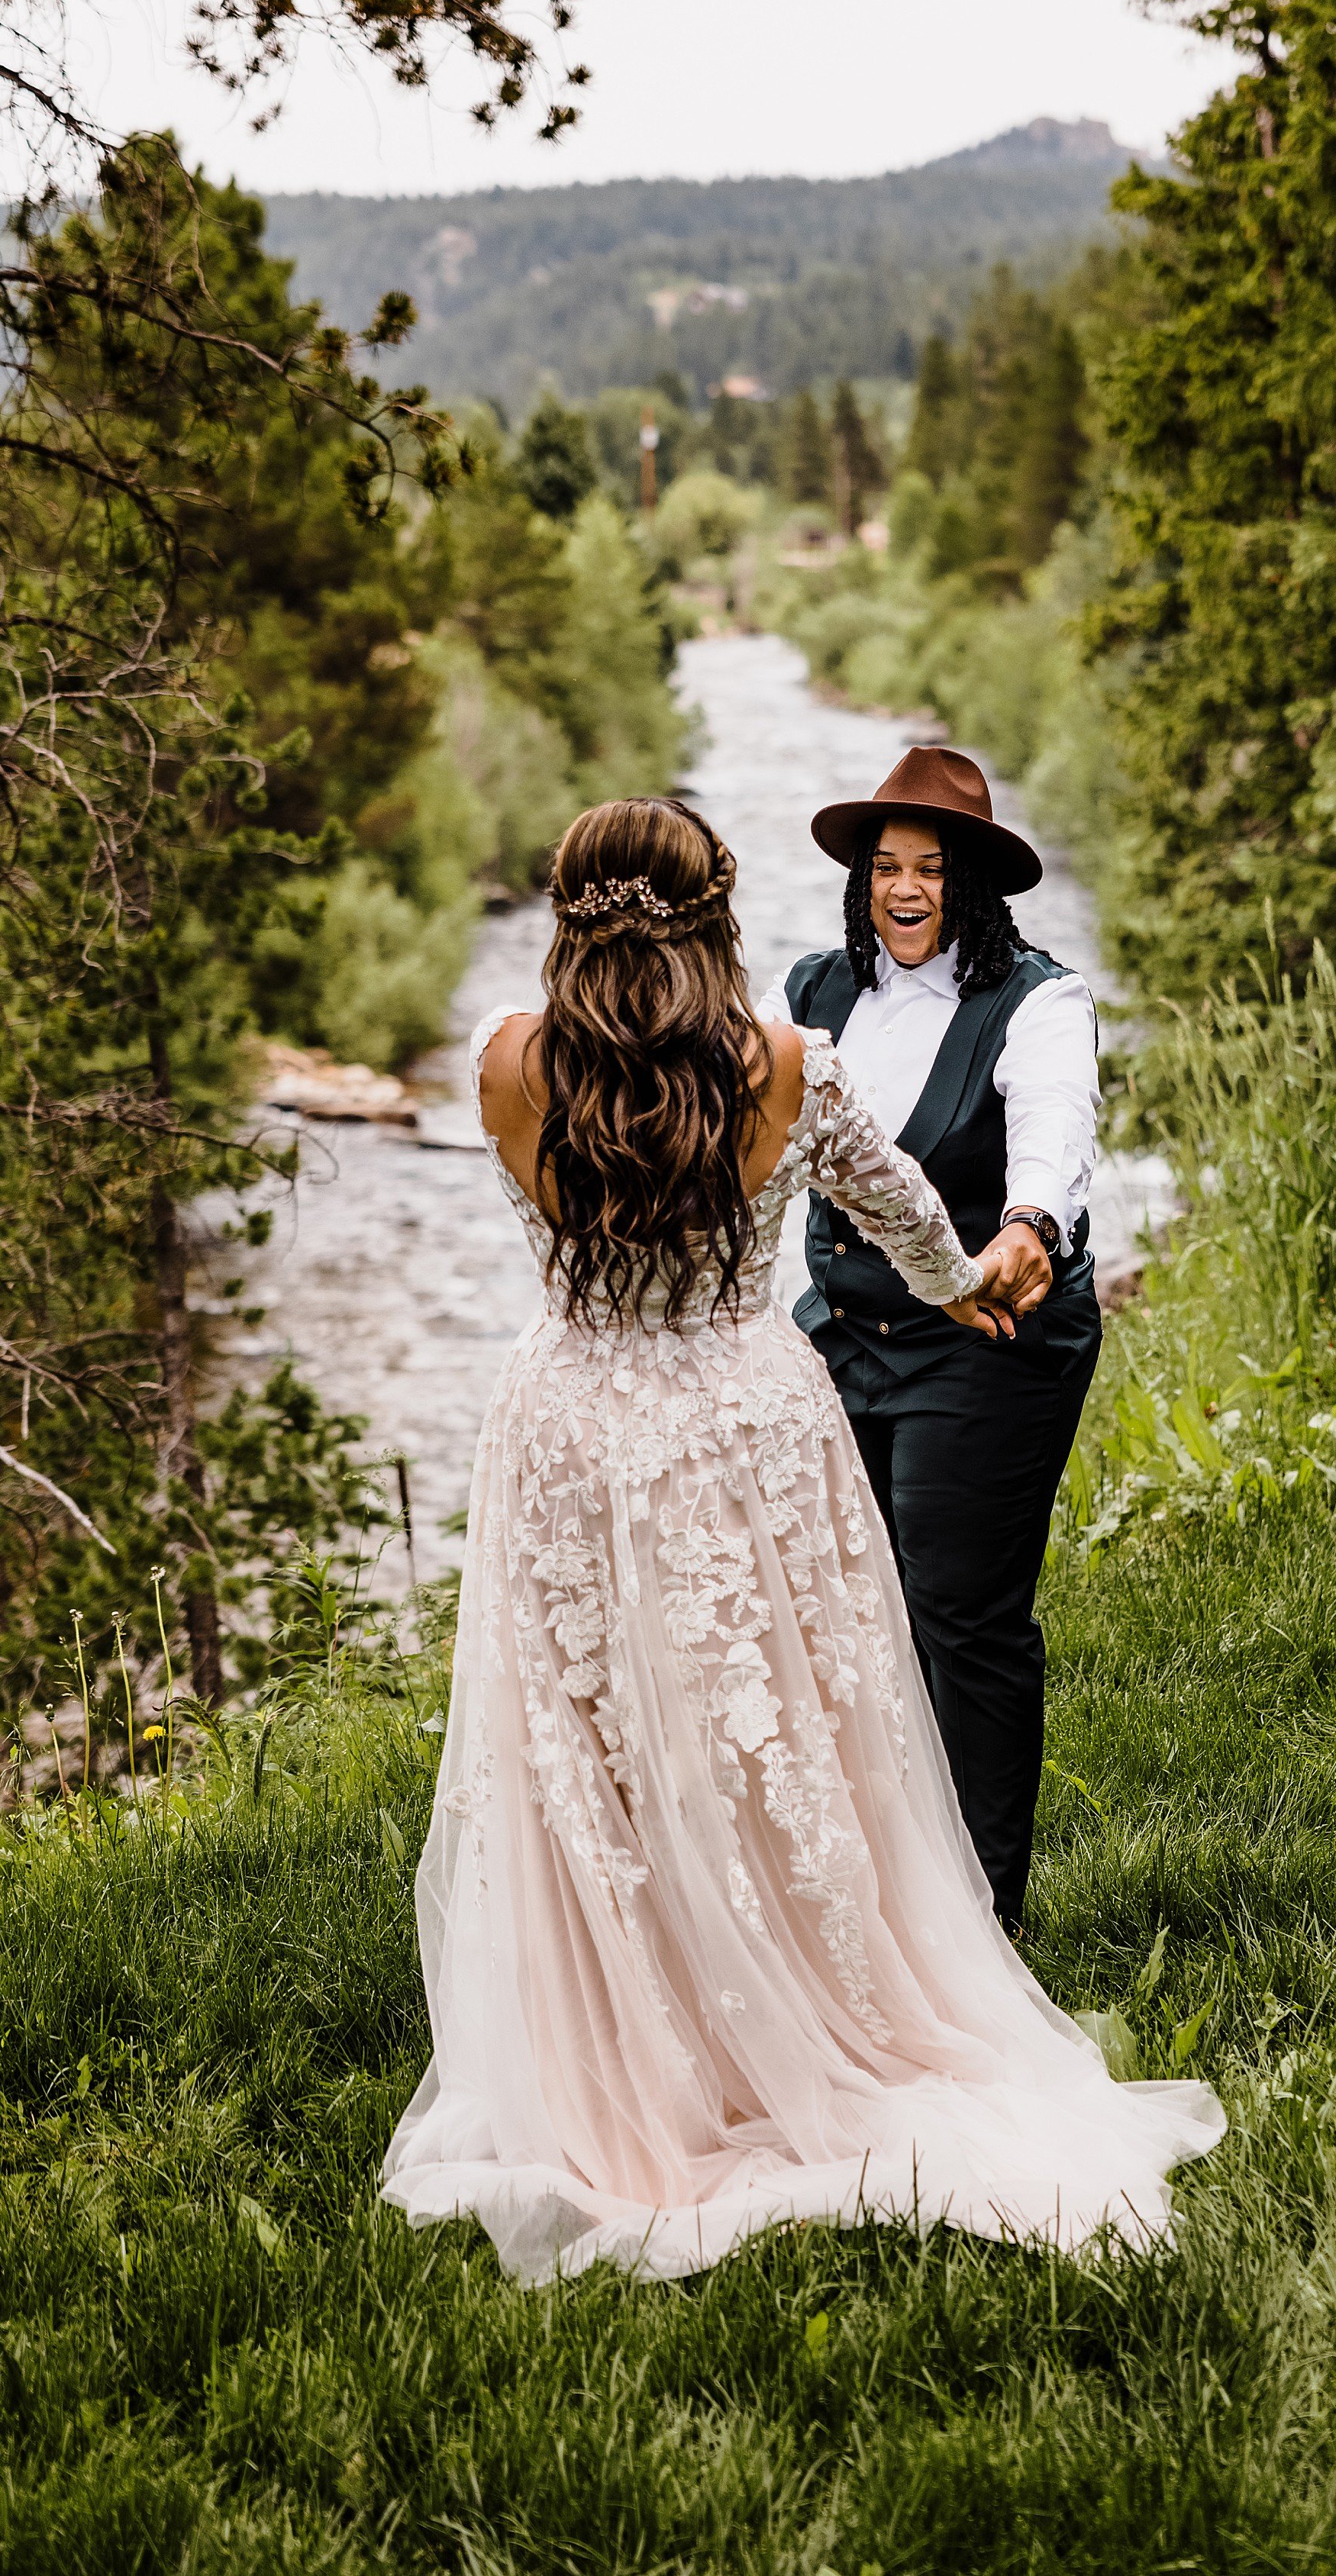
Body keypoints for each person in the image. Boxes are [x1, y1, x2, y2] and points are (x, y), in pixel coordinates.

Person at [382, 794, 1220, 2284]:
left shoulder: (509, 1061)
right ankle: (784, 2019)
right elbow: (899, 1213)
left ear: (566, 917)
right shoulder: (787, 1064)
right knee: (778, 1740)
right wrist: (964, 1282)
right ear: (720, 912)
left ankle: (626, 2063)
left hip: (571, 1424)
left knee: (592, 1749)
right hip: (739, 1425)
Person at [764, 745, 1102, 1935]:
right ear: (861, 885)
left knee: (962, 1613)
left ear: (977, 889)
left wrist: (1031, 1223)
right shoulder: (810, 994)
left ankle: (984, 1922)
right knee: (848, 1612)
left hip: (989, 1337)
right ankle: (875, 1892)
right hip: (840, 1336)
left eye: (932, 871)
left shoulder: (1041, 1001)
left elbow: (1053, 1130)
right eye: (886, 869)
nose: (906, 890)